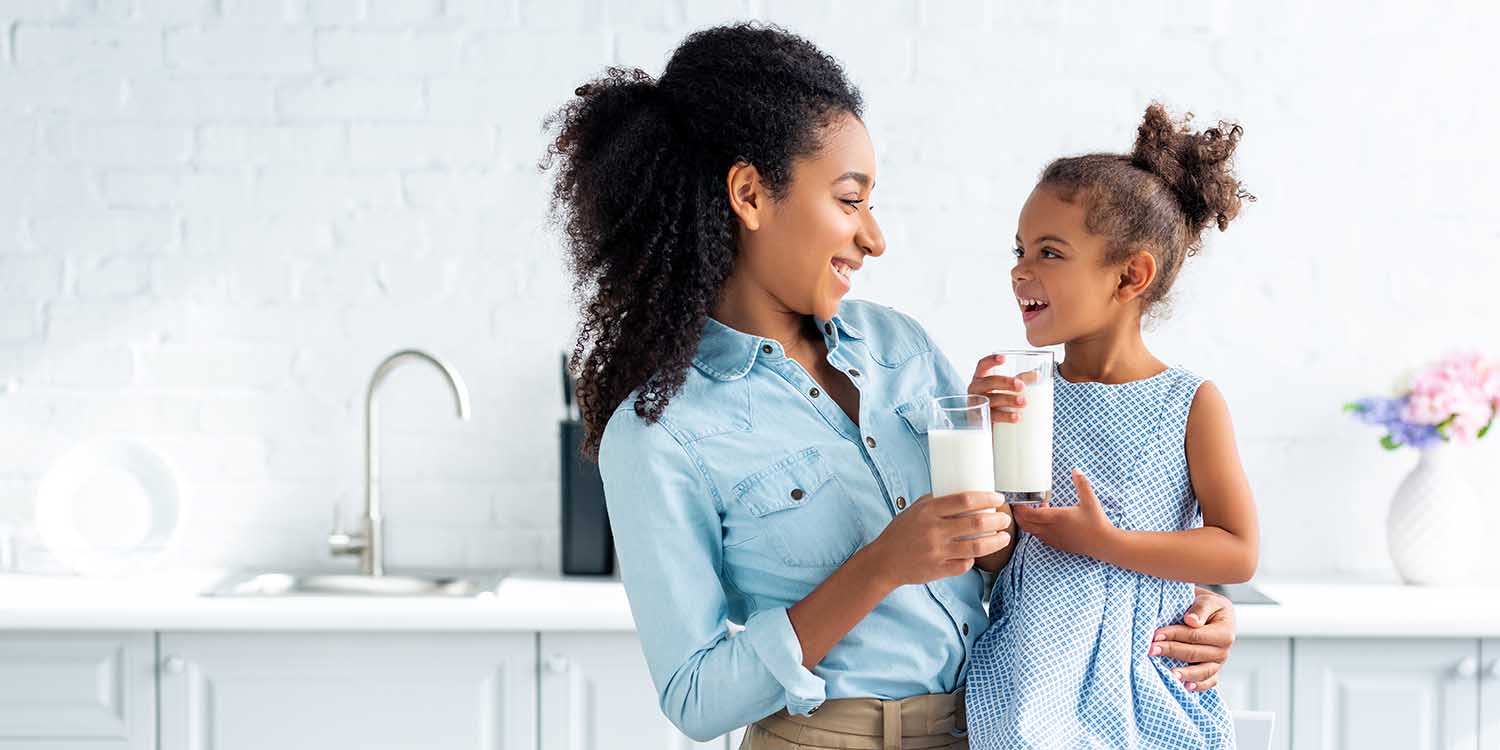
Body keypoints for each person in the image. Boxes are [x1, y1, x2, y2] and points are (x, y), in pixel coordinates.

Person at [543, 24, 1240, 748]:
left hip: (990, 724)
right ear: (749, 194)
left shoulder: (897, 346)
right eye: (850, 201)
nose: (874, 238)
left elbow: (1004, 564)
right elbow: (693, 697)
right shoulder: (659, 433)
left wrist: (1177, 608)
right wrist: (879, 567)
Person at [964, 103, 1259, 748]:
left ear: (1130, 274)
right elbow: (998, 558)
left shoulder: (1190, 402)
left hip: (1142, 684)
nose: (1021, 269)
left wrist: (1105, 541)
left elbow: (1237, 551)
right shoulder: (1024, 392)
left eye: (1050, 252)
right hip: (1025, 682)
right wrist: (975, 445)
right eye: (1020, 250)